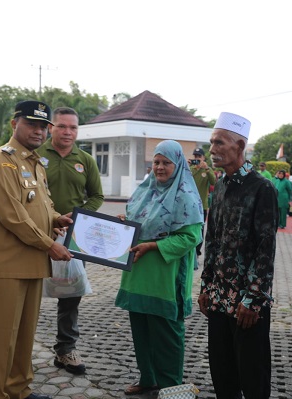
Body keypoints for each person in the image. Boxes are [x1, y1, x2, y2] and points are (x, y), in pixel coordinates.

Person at [0, 100, 74, 399]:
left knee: (23, 337)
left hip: (31, 263)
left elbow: (39, 206)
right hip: (5, 265)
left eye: (44, 126)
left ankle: (19, 390)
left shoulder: (34, 163)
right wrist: (50, 245)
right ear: (14, 124)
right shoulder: (0, 161)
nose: (39, 131)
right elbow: (12, 215)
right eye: (32, 124)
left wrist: (56, 219)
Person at [198, 112, 278, 399]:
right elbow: (213, 240)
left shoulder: (262, 188)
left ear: (240, 146)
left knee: (253, 377)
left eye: (219, 142)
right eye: (212, 142)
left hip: (247, 305)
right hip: (219, 299)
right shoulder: (219, 186)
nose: (212, 149)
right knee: (222, 374)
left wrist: (253, 299)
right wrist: (206, 286)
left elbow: (265, 249)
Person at [115, 140, 203, 395]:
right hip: (138, 274)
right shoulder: (145, 190)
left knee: (166, 333)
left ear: (178, 165)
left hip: (166, 276)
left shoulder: (185, 195)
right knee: (141, 328)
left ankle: (171, 386)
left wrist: (153, 246)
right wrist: (123, 222)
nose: (160, 168)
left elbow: (190, 238)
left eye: (166, 163)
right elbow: (136, 220)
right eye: (156, 162)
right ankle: (148, 378)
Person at [37, 107, 104, 375]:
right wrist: (49, 220)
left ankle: (65, 350)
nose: (68, 132)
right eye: (62, 126)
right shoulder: (36, 155)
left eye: (73, 128)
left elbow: (97, 196)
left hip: (74, 237)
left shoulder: (85, 160)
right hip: (39, 235)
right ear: (51, 127)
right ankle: (18, 349)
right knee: (29, 290)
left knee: (70, 294)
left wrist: (78, 218)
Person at [189, 147, 216, 258]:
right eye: (195, 156)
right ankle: (189, 251)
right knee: (189, 228)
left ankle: (197, 252)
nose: (197, 158)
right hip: (189, 205)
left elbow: (214, 181)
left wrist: (206, 169)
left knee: (200, 229)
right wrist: (186, 165)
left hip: (202, 206)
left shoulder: (207, 169)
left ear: (204, 158)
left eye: (199, 156)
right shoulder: (190, 169)